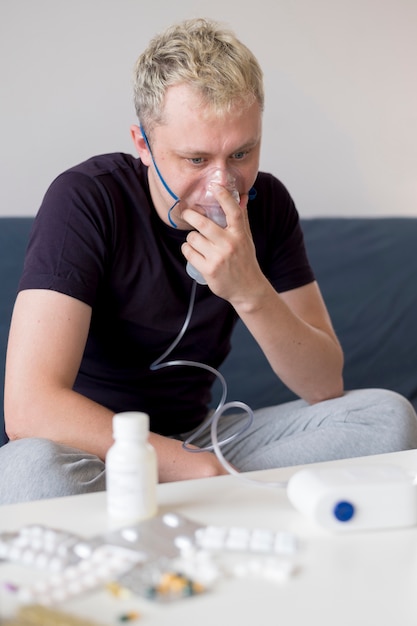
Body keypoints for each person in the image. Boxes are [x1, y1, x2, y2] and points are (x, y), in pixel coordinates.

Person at [1, 18, 416, 504]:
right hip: (90, 453)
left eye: (241, 153)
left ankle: (192, 503)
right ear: (143, 144)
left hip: (203, 439)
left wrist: (250, 290)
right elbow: (29, 408)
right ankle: (212, 500)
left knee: (385, 418)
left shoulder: (269, 205)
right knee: (31, 471)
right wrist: (182, 467)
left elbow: (324, 385)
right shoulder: (87, 200)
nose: (223, 185)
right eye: (196, 160)